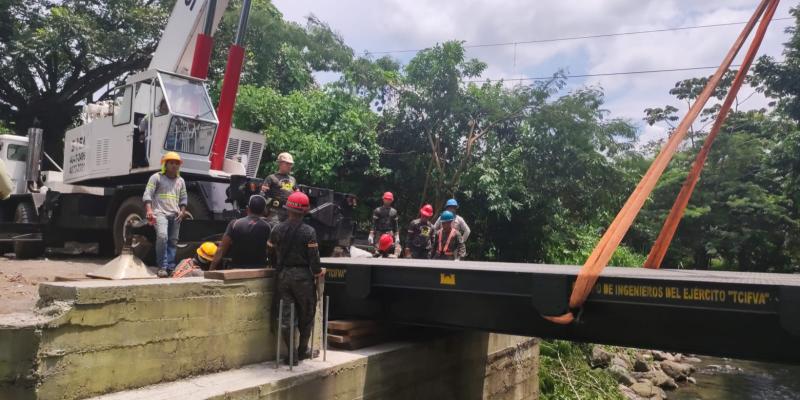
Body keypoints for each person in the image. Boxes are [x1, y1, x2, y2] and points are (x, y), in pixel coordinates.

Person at [268, 191, 325, 365]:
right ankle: (302, 350)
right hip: (303, 278)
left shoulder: (277, 228)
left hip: (283, 276)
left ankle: (291, 355)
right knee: (307, 312)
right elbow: (314, 259)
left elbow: (270, 252)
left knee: (286, 316)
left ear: (287, 209)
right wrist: (318, 272)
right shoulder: (309, 232)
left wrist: (277, 266)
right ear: (304, 211)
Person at [143, 151, 188, 277]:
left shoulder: (181, 181)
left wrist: (182, 211)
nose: (174, 166)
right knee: (163, 237)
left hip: (175, 215)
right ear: (165, 164)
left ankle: (170, 267)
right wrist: (149, 210)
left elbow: (184, 198)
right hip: (160, 213)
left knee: (173, 241)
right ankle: (162, 267)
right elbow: (148, 194)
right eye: (171, 163)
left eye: (177, 163)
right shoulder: (156, 177)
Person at [210, 195, 272, 270]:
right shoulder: (268, 226)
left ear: (248, 208)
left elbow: (221, 249)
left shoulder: (235, 224)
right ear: (264, 211)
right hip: (259, 270)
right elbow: (272, 249)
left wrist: (211, 269)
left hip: (236, 270)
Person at [260, 152, 297, 224]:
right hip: (274, 213)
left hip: (289, 214)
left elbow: (297, 195)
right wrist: (265, 211)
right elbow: (263, 195)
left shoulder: (293, 179)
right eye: (287, 163)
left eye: (291, 164)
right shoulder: (271, 178)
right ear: (280, 163)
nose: (290, 166)